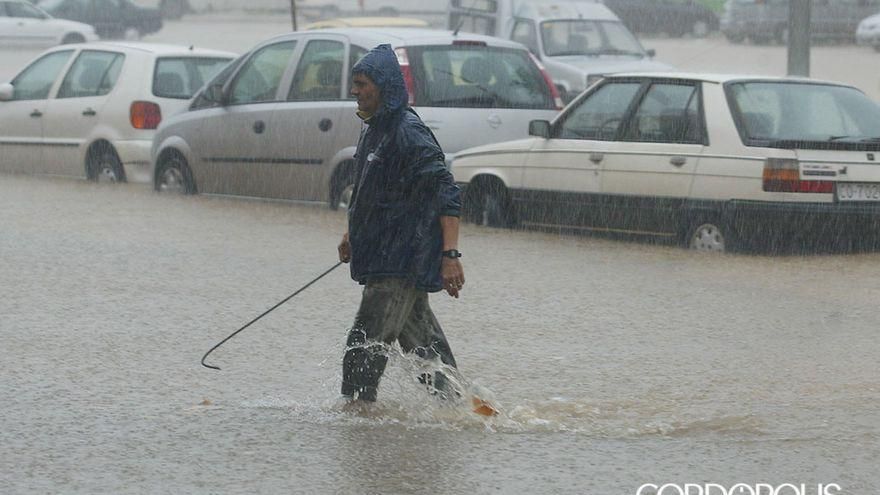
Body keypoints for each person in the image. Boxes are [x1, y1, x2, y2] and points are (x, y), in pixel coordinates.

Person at [336, 44, 465, 404]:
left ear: (384, 86)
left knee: (363, 348)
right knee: (429, 355)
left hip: (400, 261)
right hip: (382, 257)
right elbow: (369, 192)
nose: (354, 91)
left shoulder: (409, 132)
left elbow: (446, 192)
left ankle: (356, 422)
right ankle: (463, 413)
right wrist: (352, 234)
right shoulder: (372, 129)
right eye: (354, 83)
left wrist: (450, 255)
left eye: (362, 83)